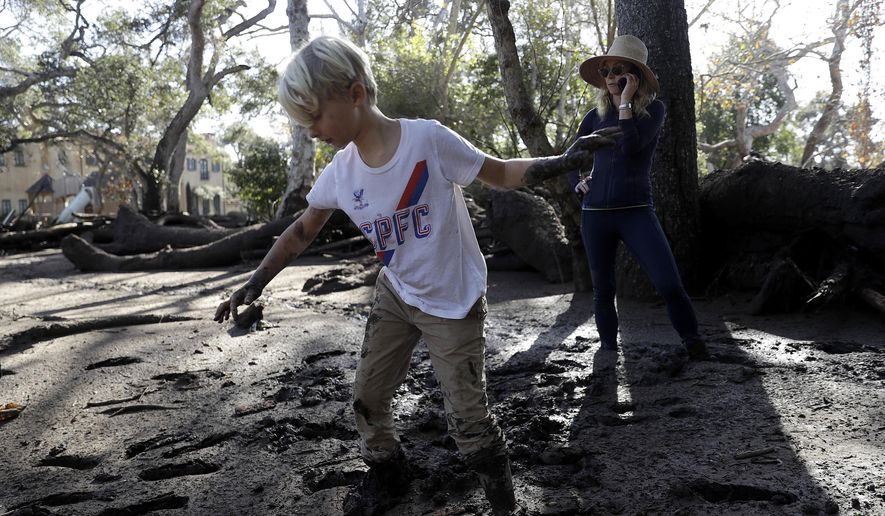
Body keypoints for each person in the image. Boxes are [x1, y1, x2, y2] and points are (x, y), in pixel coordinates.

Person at [213, 35, 620, 516]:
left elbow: (503, 173)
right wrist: (254, 283)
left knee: (469, 423)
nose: (311, 131)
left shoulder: (426, 140)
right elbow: (301, 232)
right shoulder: (342, 172)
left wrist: (567, 159)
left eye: (315, 117)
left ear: (354, 94)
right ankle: (391, 476)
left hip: (453, 299)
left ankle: (503, 503)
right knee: (366, 400)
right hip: (396, 294)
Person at [568, 34, 711, 360]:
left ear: (633, 75)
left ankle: (695, 345)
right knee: (603, 290)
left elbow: (630, 147)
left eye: (617, 70)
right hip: (595, 215)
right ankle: (607, 353)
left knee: (669, 284)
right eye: (605, 71)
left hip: (635, 211)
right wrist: (576, 182)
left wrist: (626, 104)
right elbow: (573, 156)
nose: (610, 77)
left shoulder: (654, 111)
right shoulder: (593, 117)